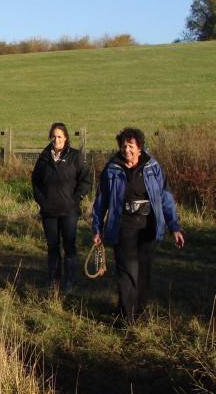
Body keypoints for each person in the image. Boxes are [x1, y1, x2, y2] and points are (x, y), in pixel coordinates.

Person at [92, 127, 184, 323]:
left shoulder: (153, 168)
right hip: (122, 226)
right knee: (127, 273)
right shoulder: (112, 169)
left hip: (147, 228)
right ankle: (127, 317)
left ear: (140, 148)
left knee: (143, 273)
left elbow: (165, 197)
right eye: (124, 146)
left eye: (131, 146)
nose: (127, 150)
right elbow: (101, 201)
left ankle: (139, 311)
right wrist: (97, 228)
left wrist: (174, 226)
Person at [31, 122, 92, 292]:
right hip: (49, 211)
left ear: (65, 138)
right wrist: (41, 200)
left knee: (69, 246)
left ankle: (70, 280)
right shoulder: (44, 157)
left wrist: (77, 198)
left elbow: (86, 180)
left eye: (59, 136)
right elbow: (35, 181)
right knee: (52, 247)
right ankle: (54, 280)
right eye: (53, 136)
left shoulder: (75, 156)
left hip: (69, 211)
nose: (56, 139)